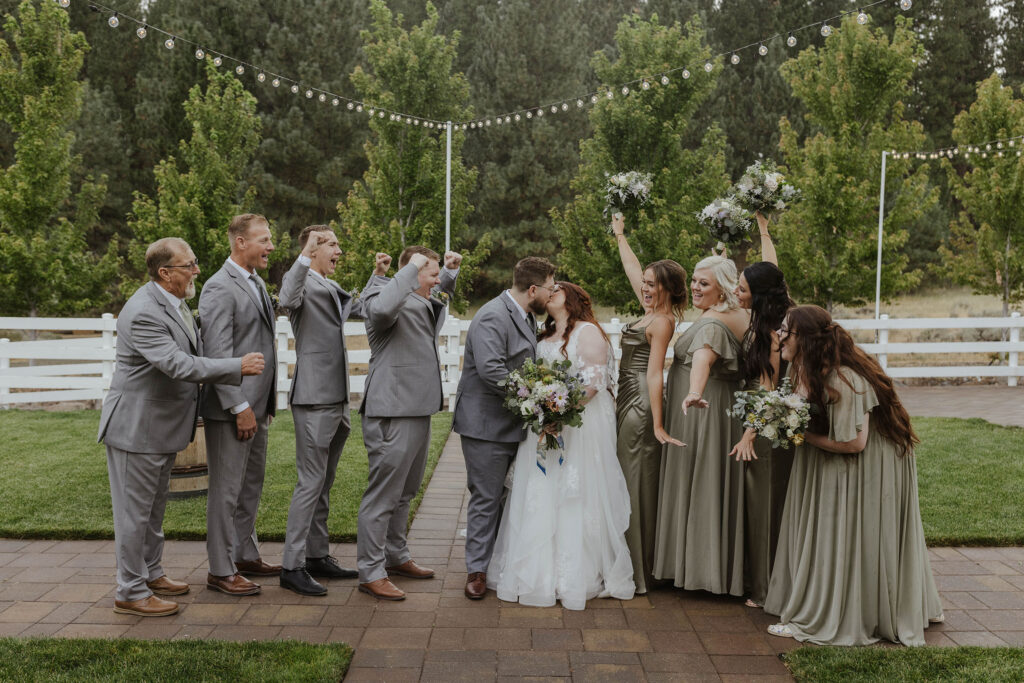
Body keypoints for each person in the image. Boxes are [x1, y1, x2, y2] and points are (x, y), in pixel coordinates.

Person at [97, 238, 265, 616]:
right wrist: (235, 365)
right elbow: (178, 365)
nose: (197, 270)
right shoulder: (143, 312)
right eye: (189, 265)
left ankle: (152, 573)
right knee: (133, 515)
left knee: (153, 511)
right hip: (135, 430)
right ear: (165, 273)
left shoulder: (177, 304)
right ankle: (130, 591)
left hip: (159, 429)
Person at [764, 305, 943, 646]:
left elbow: (852, 443)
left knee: (843, 531)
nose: (779, 336)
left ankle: (837, 615)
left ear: (806, 339)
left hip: (867, 462)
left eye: (786, 331)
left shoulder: (843, 379)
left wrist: (798, 435)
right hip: (834, 455)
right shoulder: (801, 368)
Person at [489, 282, 635, 610]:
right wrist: (542, 408)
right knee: (540, 489)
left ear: (572, 299)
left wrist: (561, 413)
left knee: (572, 493)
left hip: (577, 427)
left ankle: (572, 576)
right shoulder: (544, 334)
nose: (550, 293)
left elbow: (594, 382)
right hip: (545, 426)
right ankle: (534, 572)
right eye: (548, 289)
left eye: (557, 289)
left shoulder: (588, 333)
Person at [276, 226, 388, 596]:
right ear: (314, 248)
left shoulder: (326, 283)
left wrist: (378, 277)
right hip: (312, 397)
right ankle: (291, 566)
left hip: (336, 397)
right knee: (310, 481)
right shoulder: (302, 279)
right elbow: (287, 298)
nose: (340, 250)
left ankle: (316, 555)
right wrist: (305, 252)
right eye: (333, 244)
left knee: (324, 481)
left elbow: (362, 309)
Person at [356, 246, 461, 601]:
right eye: (429, 273)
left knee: (406, 491)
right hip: (392, 409)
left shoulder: (419, 298)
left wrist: (446, 273)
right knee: (383, 494)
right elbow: (383, 309)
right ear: (412, 271)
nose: (435, 280)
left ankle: (396, 555)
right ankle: (370, 571)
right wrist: (409, 269)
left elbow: (434, 310)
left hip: (418, 408)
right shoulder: (380, 295)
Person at [454, 256, 557, 600]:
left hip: (512, 424)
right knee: (487, 498)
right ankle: (477, 571)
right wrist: (538, 397)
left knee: (507, 497)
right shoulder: (492, 316)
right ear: (532, 290)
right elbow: (491, 369)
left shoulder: (525, 315)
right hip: (486, 426)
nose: (552, 293)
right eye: (549, 288)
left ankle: (497, 563)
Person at [653, 255, 750, 596]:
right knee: (711, 479)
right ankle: (713, 568)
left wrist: (694, 391)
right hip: (722, 408)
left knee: (701, 480)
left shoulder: (712, 325)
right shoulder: (739, 314)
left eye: (703, 283)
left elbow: (703, 358)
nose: (695, 287)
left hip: (701, 411)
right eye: (694, 280)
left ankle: (699, 570)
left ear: (722, 288)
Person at [199, 213, 280, 596]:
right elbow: (217, 354)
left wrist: (259, 406)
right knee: (227, 491)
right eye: (263, 240)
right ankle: (220, 569)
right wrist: (238, 406)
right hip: (232, 410)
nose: (270, 246)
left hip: (258, 407)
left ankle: (245, 555)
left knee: (250, 488)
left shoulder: (256, 283)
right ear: (239, 243)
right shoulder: (218, 287)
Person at [610, 213, 687, 594]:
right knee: (623, 477)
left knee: (635, 481)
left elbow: (657, 373)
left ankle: (639, 571)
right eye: (644, 284)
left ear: (667, 289)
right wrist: (620, 235)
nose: (644, 288)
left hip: (642, 401)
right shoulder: (648, 311)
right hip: (627, 395)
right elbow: (633, 269)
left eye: (652, 286)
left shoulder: (662, 322)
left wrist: (657, 424)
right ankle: (625, 560)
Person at [729, 213, 795, 608]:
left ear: (759, 294)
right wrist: (764, 230)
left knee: (766, 506)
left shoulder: (773, 332)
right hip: (761, 416)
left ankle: (768, 590)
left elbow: (769, 390)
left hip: (767, 428)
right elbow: (773, 272)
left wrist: (750, 434)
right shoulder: (771, 314)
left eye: (741, 288)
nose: (736, 292)